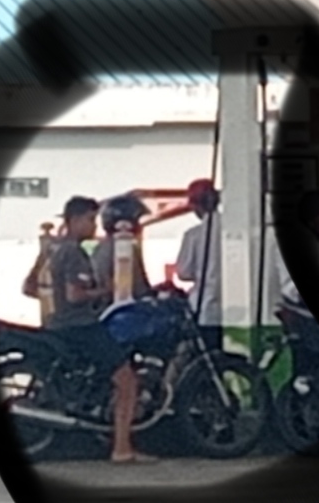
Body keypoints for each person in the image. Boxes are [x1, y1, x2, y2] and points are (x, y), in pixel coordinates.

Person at [43, 195, 151, 464]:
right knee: (127, 381)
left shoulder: (59, 250)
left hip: (62, 324)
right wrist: (107, 289)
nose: (95, 225)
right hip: (80, 326)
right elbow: (74, 295)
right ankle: (122, 448)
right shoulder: (73, 252)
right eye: (90, 219)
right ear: (74, 220)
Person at [173, 179, 223, 348]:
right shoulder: (235, 230)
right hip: (239, 310)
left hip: (206, 308)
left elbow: (183, 272)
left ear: (195, 205)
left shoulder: (193, 235)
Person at [90, 195, 153, 305]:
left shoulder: (102, 246)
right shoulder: (124, 247)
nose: (139, 225)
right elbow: (137, 286)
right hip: (124, 308)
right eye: (137, 220)